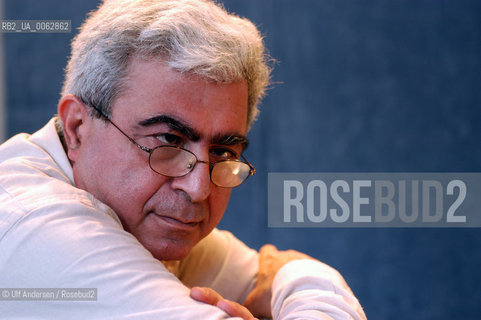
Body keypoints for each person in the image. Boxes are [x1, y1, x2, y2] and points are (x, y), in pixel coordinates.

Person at [0, 0, 366, 319]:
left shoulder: (147, 223)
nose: (198, 189)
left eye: (222, 151)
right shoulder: (41, 227)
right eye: (169, 141)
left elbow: (278, 271)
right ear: (78, 127)